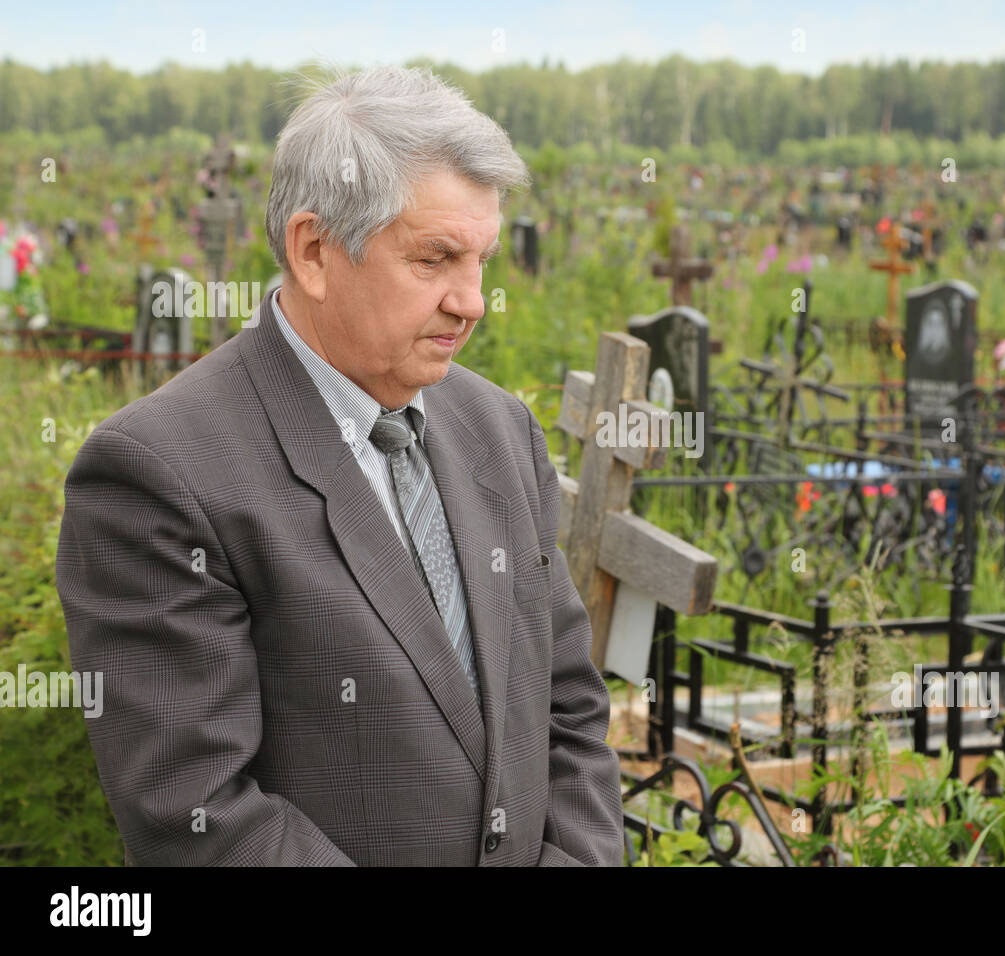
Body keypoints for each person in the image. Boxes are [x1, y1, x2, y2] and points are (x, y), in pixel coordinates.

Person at [56, 66, 625, 866]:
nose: (473, 300)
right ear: (315, 250)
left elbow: (565, 704)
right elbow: (198, 812)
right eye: (434, 260)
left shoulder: (500, 429)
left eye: (481, 260)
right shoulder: (160, 475)